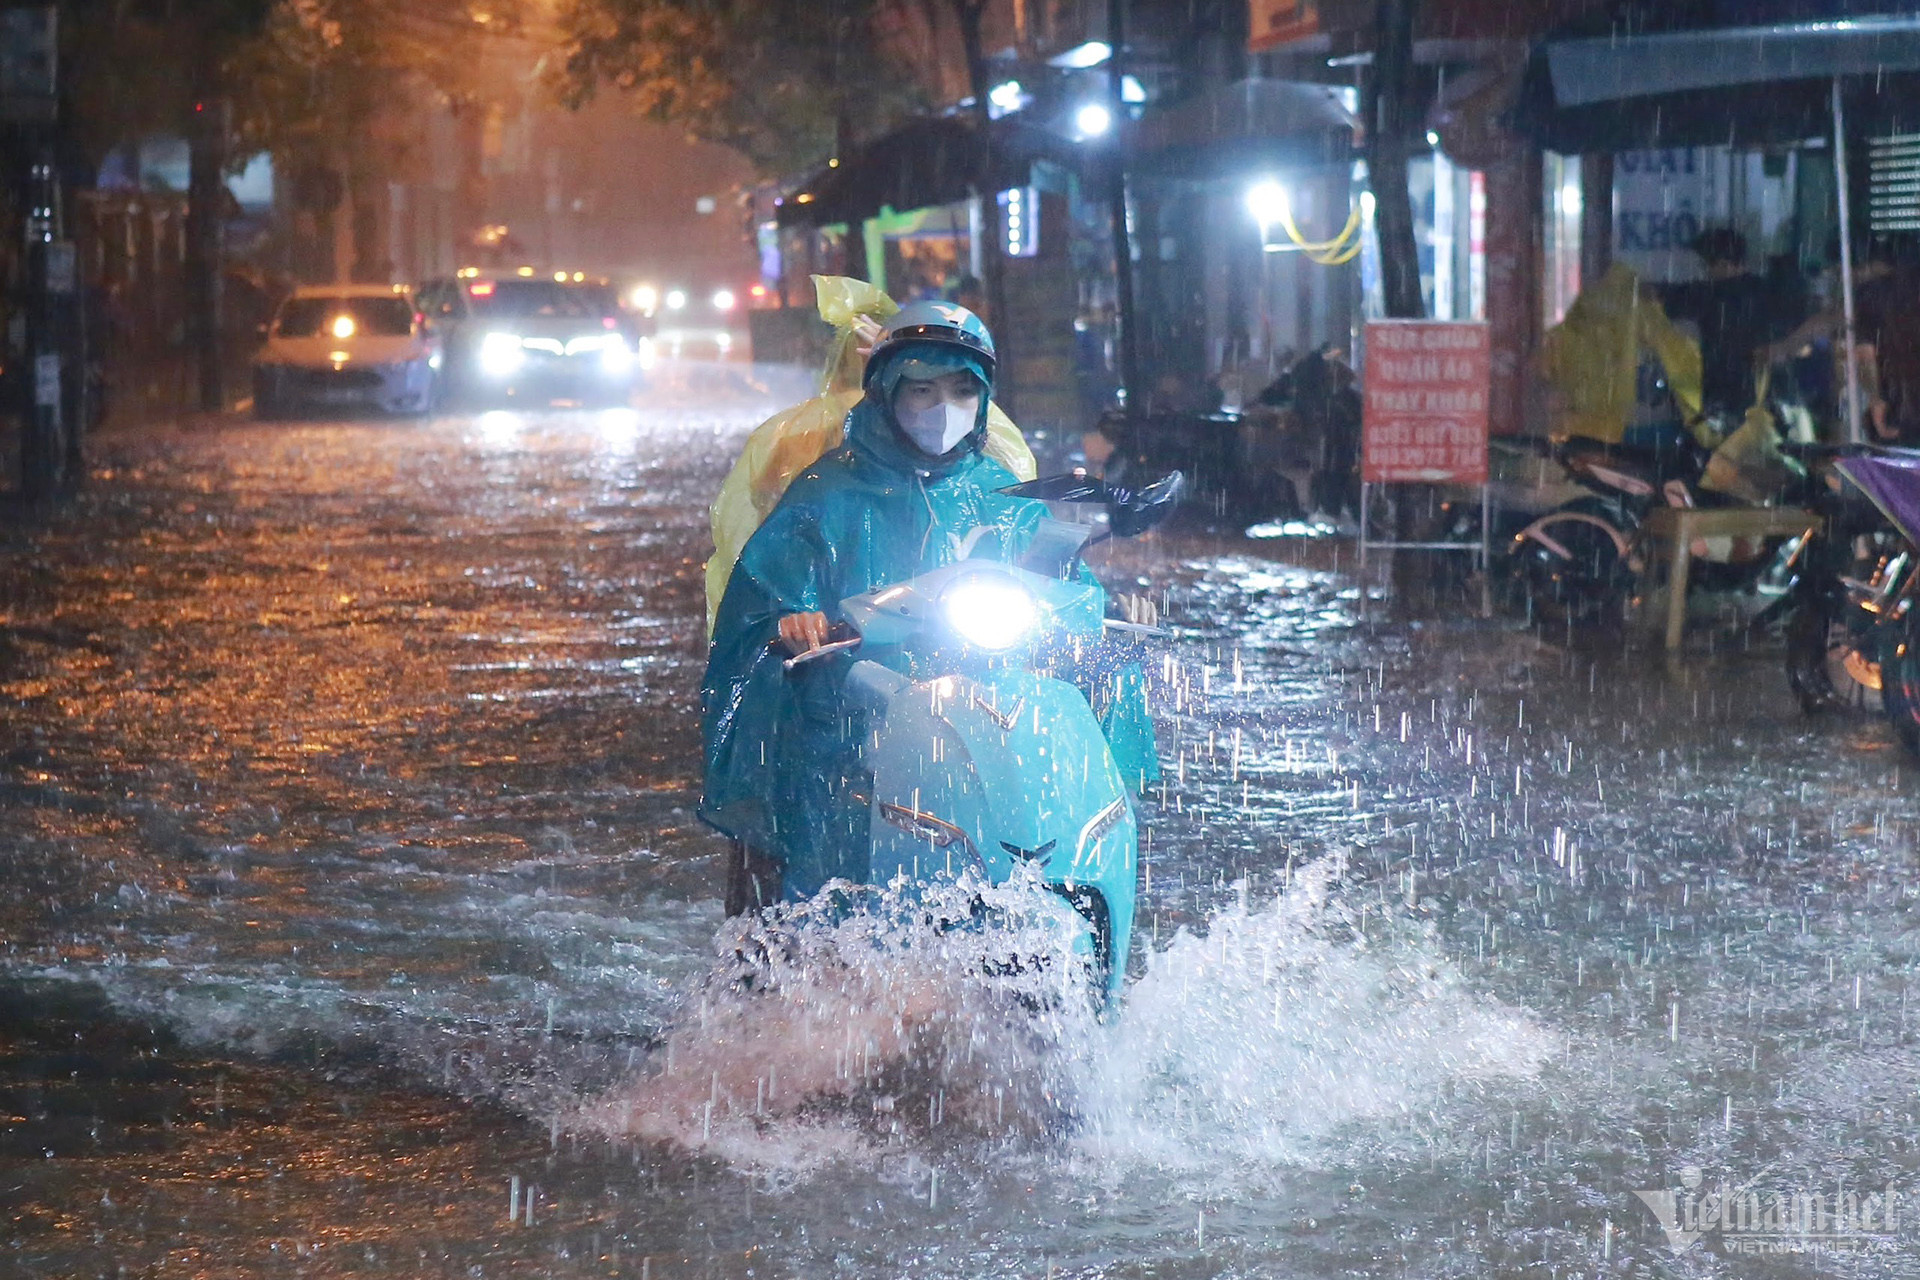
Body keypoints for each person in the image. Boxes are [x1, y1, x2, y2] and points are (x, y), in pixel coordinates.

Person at [699, 301, 1056, 914]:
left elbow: (1057, 581)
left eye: (961, 389)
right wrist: (791, 622)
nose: (942, 408)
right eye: (921, 390)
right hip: (852, 724)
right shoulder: (828, 492)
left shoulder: (1007, 495)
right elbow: (763, 599)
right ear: (886, 393)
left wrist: (1095, 604)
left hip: (984, 718)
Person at [1660, 228, 1807, 422]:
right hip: (1772, 401)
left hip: (1727, 401)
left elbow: (1663, 297)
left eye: (1707, 266)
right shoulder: (1768, 292)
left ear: (1723, 264)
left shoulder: (1712, 295)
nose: (1707, 273)